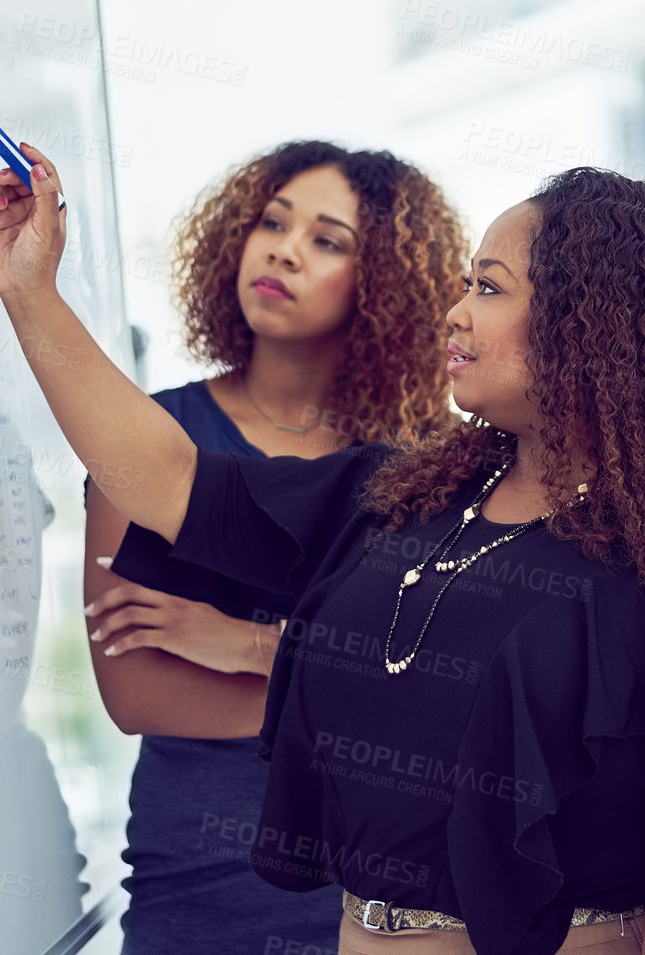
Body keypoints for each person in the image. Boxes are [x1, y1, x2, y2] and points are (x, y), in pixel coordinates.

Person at [0, 153, 645, 955]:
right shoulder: (408, 493)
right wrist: (31, 295)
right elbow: (165, 476)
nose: (454, 312)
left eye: (489, 287)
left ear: (589, 323)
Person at [80, 140, 467, 955]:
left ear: (386, 281)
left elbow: (460, 696)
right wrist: (355, 682)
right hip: (194, 892)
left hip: (393, 911)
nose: (283, 248)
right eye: (271, 221)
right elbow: (136, 694)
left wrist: (249, 645)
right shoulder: (155, 439)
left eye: (327, 240)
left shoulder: (436, 462)